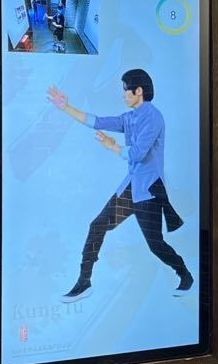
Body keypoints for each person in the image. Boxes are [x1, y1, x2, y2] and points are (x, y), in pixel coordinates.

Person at [49, 69, 192, 302]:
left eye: (126, 90)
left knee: (155, 245)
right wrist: (66, 107)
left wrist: (112, 146)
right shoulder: (129, 117)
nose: (123, 94)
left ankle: (185, 275)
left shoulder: (153, 117)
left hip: (149, 192)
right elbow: (98, 121)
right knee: (97, 226)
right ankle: (84, 282)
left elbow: (137, 154)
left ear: (139, 91)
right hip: (130, 189)